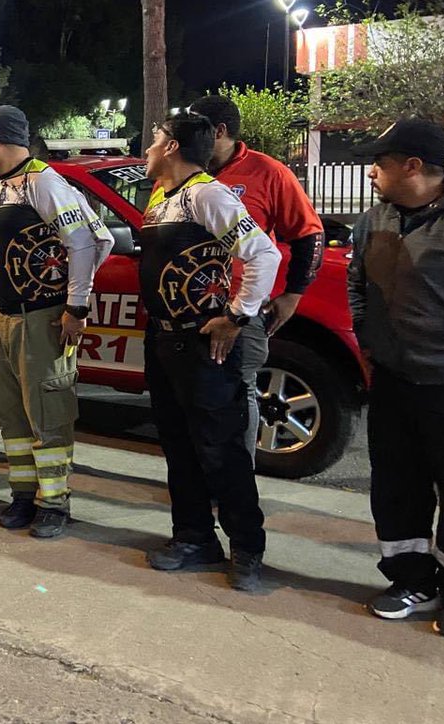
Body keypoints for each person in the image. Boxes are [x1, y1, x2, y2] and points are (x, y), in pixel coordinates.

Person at [348, 119, 444, 639]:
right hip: (392, 377)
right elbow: (357, 284)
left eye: (379, 163)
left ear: (414, 167)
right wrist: (367, 343)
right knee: (396, 485)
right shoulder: (373, 220)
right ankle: (411, 580)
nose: (371, 172)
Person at [138, 112, 280, 592]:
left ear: (174, 146)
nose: (149, 149)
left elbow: (264, 254)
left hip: (201, 347)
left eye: (156, 141)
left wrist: (238, 317)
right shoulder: (164, 198)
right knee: (179, 447)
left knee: (220, 450)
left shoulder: (207, 194)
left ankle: (247, 549)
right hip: (164, 341)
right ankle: (194, 538)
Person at [0, 106, 113, 539]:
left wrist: (75, 306)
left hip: (40, 322)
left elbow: (90, 241)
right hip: (5, 318)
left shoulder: (45, 182)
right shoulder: (5, 185)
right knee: (13, 415)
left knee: (47, 416)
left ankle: (53, 503)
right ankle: (23, 496)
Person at [192, 94, 325, 456]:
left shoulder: (268, 172)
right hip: (188, 311)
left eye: (196, 126)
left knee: (237, 391)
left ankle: (236, 485)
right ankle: (203, 479)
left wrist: (294, 293)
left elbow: (309, 234)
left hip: (239, 308)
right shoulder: (184, 170)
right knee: (195, 397)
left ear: (219, 131)